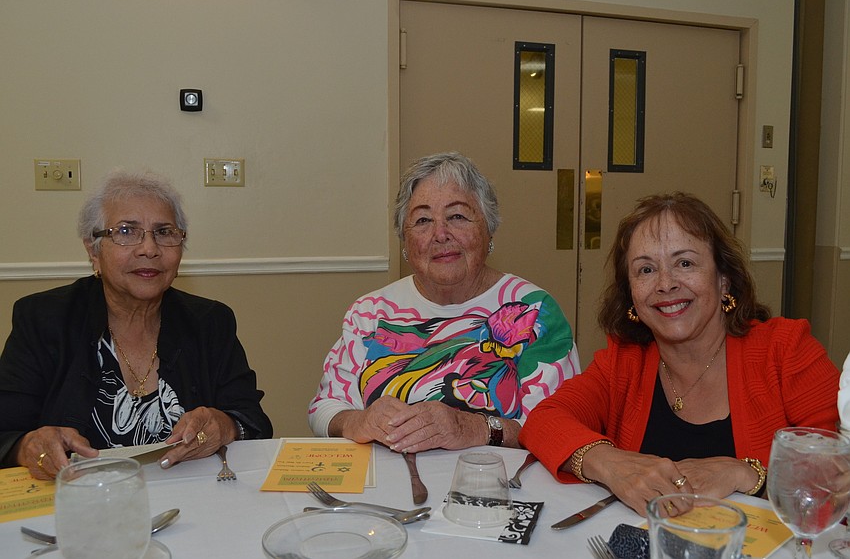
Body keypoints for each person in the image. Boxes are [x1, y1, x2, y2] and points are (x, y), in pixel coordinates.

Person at [520, 192, 840, 516]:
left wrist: (749, 475)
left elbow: (837, 474)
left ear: (724, 280)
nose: (665, 284)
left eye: (684, 263)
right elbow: (543, 421)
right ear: (631, 295)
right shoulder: (623, 361)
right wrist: (609, 463)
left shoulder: (785, 350)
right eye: (645, 270)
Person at [0, 170, 272, 479]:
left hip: (192, 500)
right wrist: (28, 446)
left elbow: (253, 420)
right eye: (127, 231)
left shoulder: (210, 321)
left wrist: (224, 425)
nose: (149, 249)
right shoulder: (43, 318)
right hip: (81, 499)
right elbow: (5, 431)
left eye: (164, 232)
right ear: (93, 249)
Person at [308, 152, 580, 452]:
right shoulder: (371, 312)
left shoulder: (532, 311)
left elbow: (559, 425)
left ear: (488, 229)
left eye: (457, 217)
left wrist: (474, 428)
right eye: (423, 220)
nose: (440, 234)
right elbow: (324, 407)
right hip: (387, 485)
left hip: (495, 486)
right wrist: (356, 422)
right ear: (405, 243)